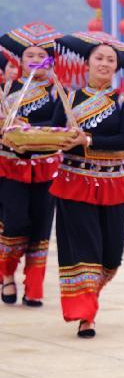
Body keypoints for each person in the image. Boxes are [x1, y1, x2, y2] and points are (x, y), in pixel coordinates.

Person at [50, 31, 124, 338]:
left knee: (111, 253)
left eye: (110, 60)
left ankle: (90, 296)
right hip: (74, 181)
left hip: (113, 182)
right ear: (87, 63)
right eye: (99, 58)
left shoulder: (123, 99)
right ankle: (85, 315)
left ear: (116, 67)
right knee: (84, 247)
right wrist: (63, 139)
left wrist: (89, 139)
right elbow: (54, 134)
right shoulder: (69, 98)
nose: (104, 64)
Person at [0, 22, 62, 307]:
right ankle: (8, 275)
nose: (35, 60)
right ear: (20, 60)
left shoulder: (56, 91)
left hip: (46, 166)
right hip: (11, 165)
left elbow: (58, 125)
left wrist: (29, 129)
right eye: (30, 56)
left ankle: (34, 287)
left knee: (40, 227)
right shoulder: (8, 89)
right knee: (14, 223)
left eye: (41, 55)